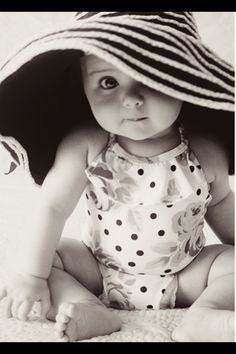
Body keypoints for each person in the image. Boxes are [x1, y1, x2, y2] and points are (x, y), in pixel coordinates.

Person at [0, 12, 234, 342]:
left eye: (152, 79)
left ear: (187, 82)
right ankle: (85, 306)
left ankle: (204, 315)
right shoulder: (87, 144)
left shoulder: (204, 150)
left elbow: (222, 204)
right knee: (46, 257)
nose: (131, 99)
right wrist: (31, 275)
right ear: (84, 86)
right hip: (97, 270)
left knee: (232, 264)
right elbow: (52, 207)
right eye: (109, 82)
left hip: (185, 276)